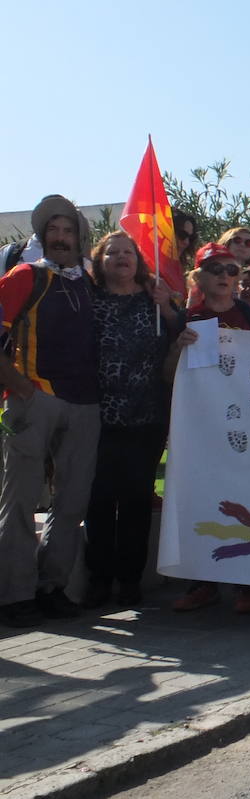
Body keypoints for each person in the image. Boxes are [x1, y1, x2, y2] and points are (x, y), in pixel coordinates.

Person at [0, 196, 101, 627]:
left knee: (73, 501)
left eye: (69, 231)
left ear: (80, 238)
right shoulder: (26, 276)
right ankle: (14, 594)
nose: (61, 238)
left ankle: (51, 587)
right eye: (54, 231)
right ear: (43, 236)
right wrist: (17, 384)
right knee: (21, 500)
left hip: (85, 404)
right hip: (34, 398)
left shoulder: (90, 283)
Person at [83, 232, 185, 609]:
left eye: (128, 252)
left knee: (136, 501)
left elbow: (183, 336)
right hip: (99, 416)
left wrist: (169, 308)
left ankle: (129, 582)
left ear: (139, 261)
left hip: (147, 417)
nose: (121, 257)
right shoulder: (88, 299)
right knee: (99, 499)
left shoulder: (155, 299)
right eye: (113, 252)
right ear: (100, 260)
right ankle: (98, 579)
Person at [173, 243, 250, 615]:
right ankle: (203, 583)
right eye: (216, 270)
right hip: (202, 427)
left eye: (232, 270)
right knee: (203, 502)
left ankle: (247, 585)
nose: (226, 277)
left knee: (246, 500)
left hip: (246, 426)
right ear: (199, 277)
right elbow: (169, 375)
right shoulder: (188, 318)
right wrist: (177, 349)